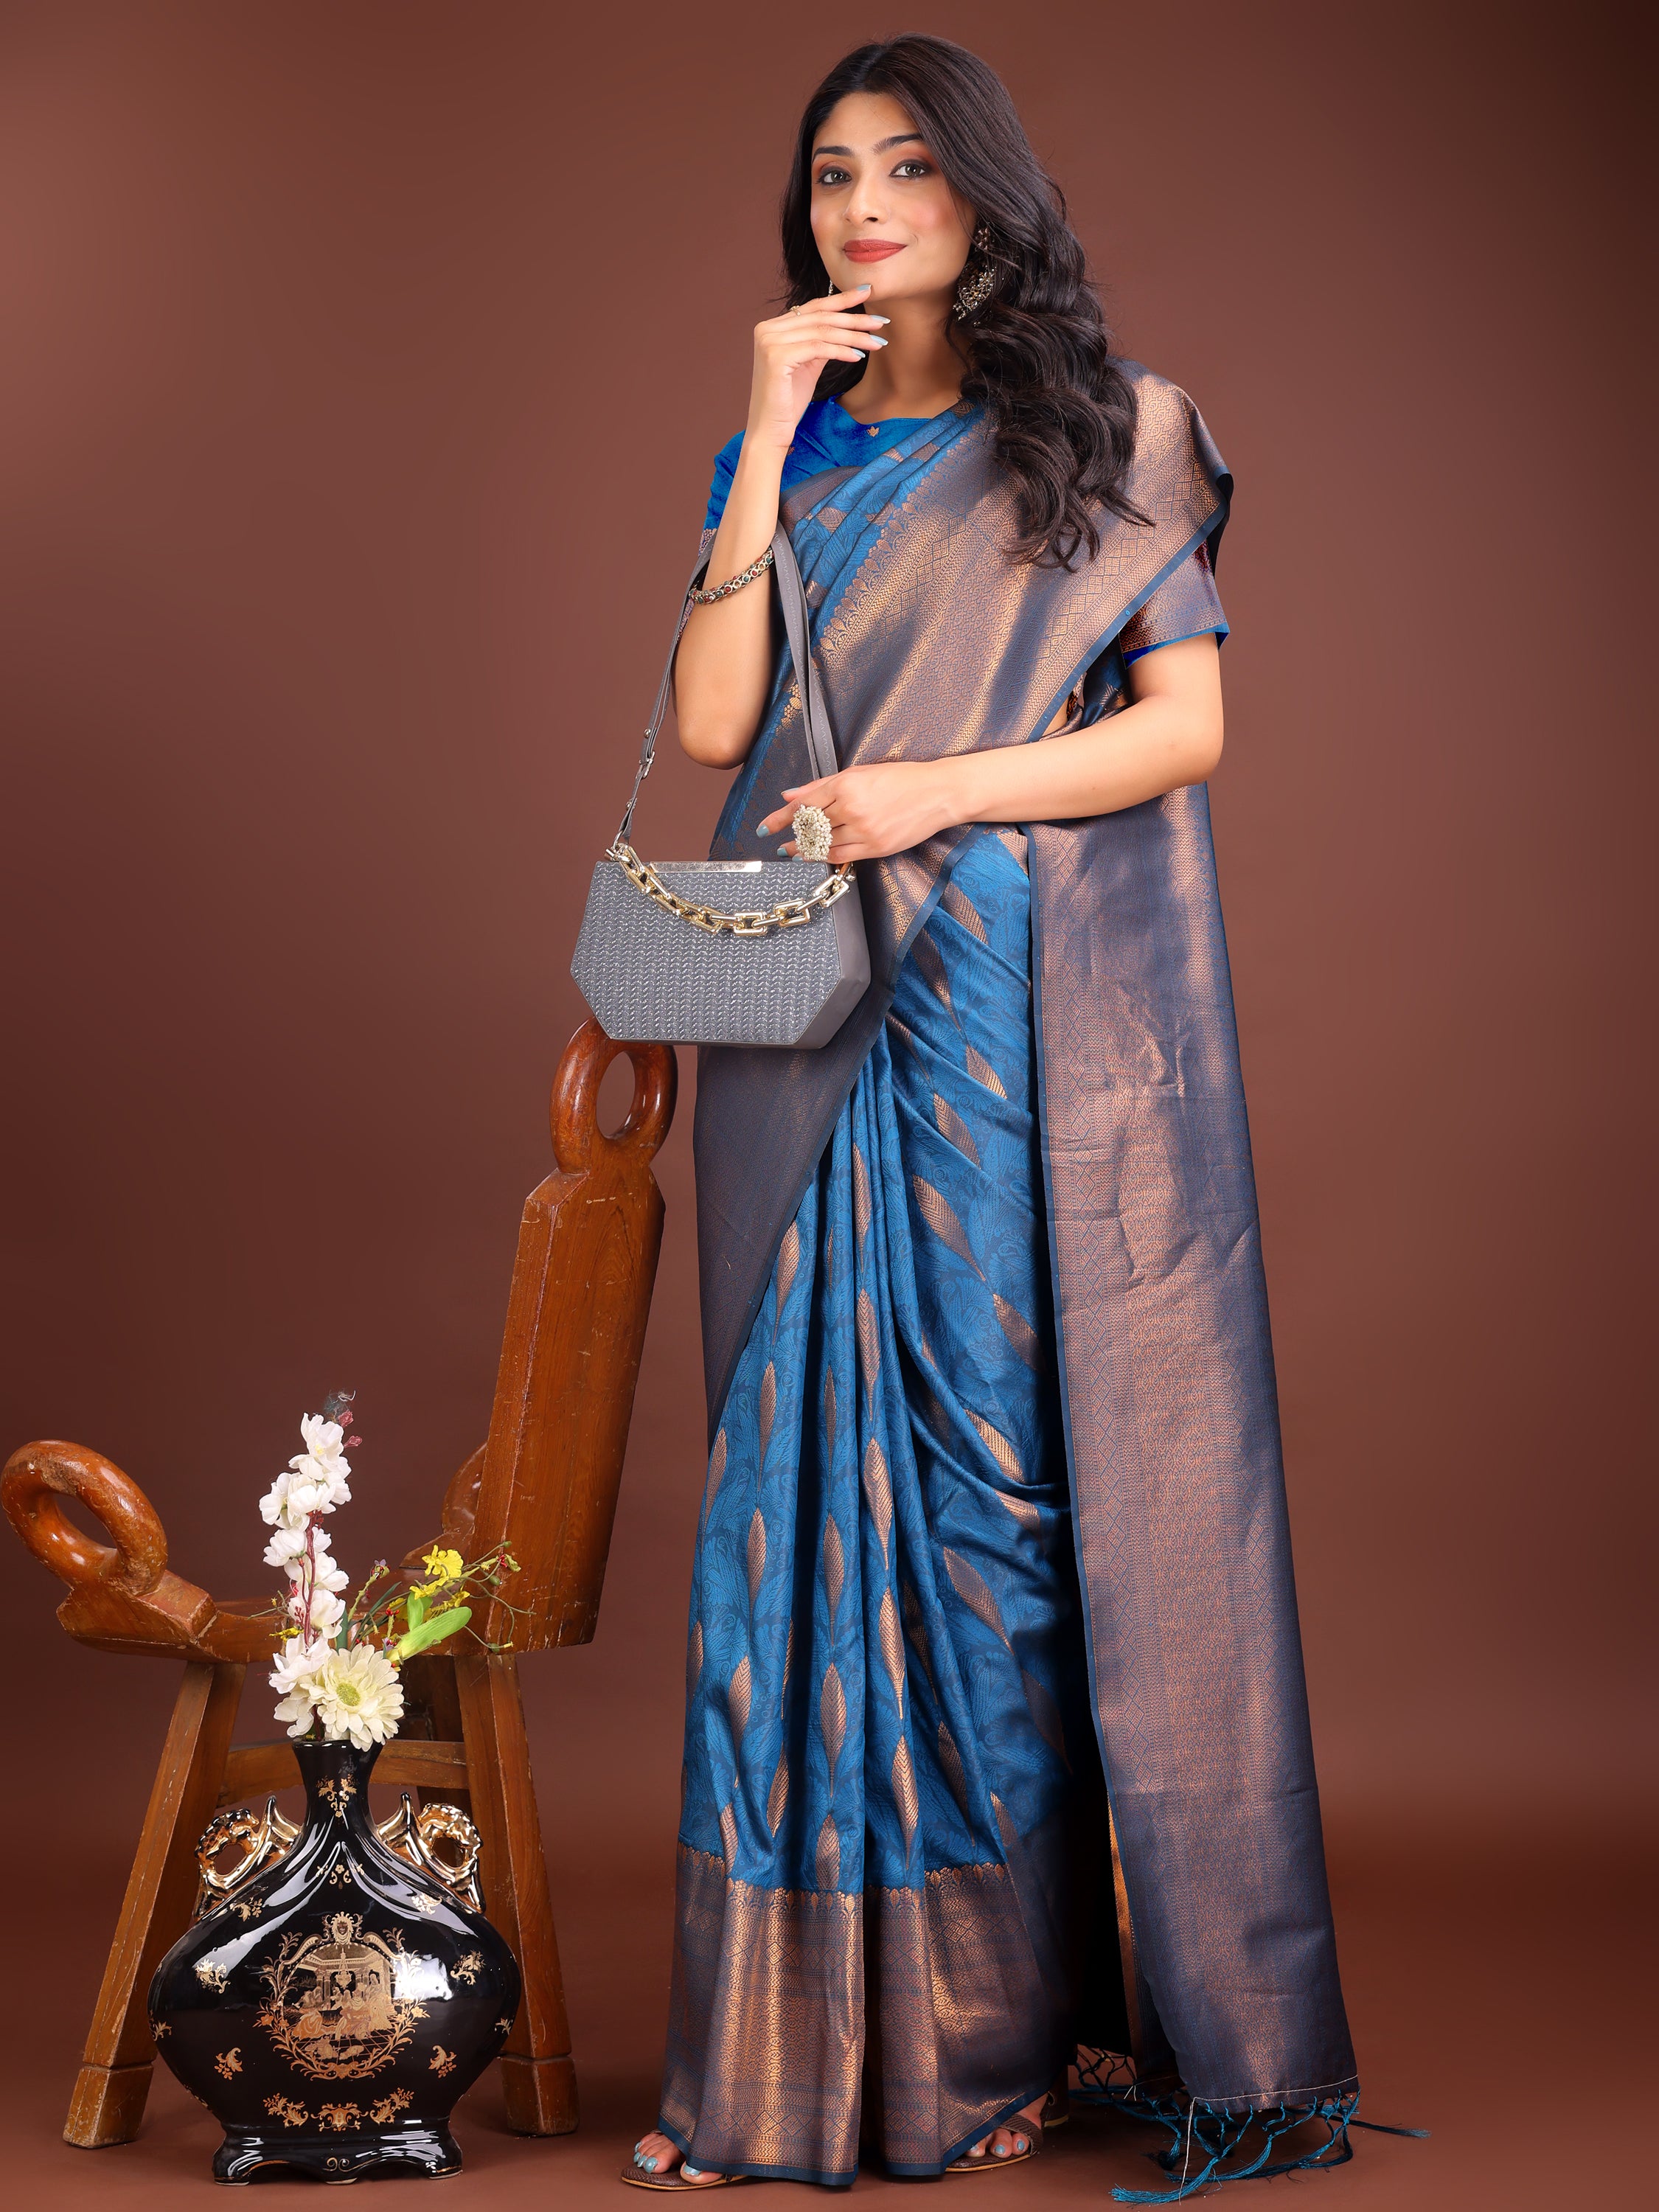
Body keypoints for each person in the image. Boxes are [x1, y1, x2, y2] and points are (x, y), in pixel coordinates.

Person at [625, 33, 1357, 2200]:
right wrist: (762, 436)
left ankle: (992, 2037)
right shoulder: (793, 448)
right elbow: (712, 727)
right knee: (788, 1513)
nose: (865, 209)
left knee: (977, 1507)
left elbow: (1183, 731)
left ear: (983, 193)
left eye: (908, 170)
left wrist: (934, 791)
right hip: (790, 1023)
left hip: (990, 1013)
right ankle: (780, 2063)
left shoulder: (1115, 433)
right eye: (830, 175)